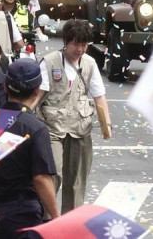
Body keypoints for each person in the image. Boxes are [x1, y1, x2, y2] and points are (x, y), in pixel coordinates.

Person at [36, 19, 112, 214]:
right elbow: (37, 97)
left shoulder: (90, 63)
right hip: (52, 128)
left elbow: (99, 96)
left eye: (84, 44)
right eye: (76, 44)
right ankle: (46, 218)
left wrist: (106, 126)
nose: (80, 49)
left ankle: (71, 222)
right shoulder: (50, 61)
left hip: (80, 127)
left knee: (77, 180)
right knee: (52, 173)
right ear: (66, 42)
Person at [0, 58, 59, 237]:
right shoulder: (36, 129)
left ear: (5, 86)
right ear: (37, 91)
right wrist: (56, 216)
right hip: (22, 214)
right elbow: (41, 179)